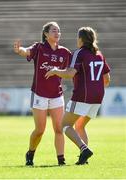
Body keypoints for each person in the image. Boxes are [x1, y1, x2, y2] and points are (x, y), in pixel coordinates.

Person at [45, 26, 110, 165]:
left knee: (64, 125)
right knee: (80, 126)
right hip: (98, 97)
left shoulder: (80, 53)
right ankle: (83, 159)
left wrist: (56, 71)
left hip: (82, 96)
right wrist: (95, 89)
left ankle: (84, 149)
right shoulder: (99, 54)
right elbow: (107, 79)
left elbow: (69, 73)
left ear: (81, 39)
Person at [13, 22, 71, 166]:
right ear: (46, 34)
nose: (57, 33)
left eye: (58, 31)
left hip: (57, 95)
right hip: (39, 94)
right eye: (53, 31)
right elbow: (26, 51)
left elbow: (72, 69)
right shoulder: (39, 47)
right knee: (40, 130)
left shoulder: (64, 52)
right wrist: (19, 49)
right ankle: (30, 153)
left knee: (59, 129)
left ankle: (61, 160)